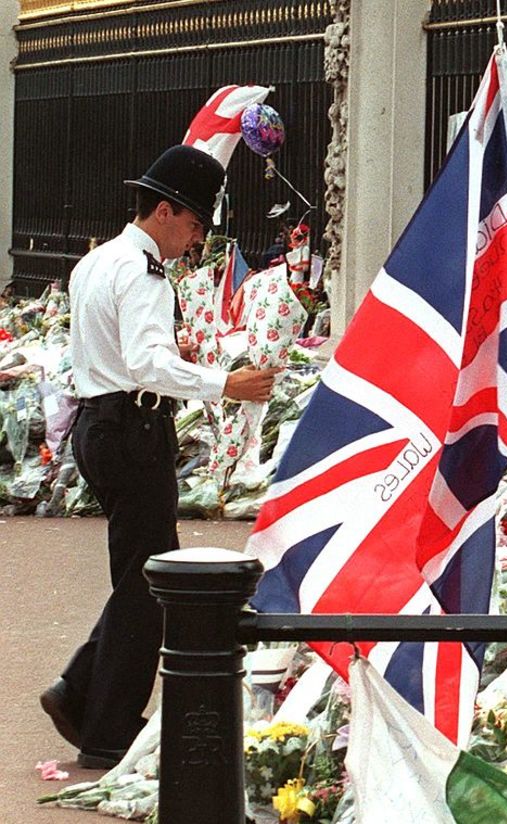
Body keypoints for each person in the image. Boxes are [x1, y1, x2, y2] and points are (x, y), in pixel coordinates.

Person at [40, 145, 280, 769]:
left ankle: (79, 693)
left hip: (100, 425)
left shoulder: (95, 263)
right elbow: (147, 362)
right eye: (195, 224)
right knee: (150, 586)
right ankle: (107, 726)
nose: (196, 239)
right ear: (165, 211)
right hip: (133, 426)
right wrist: (222, 383)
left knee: (139, 577)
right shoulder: (143, 271)